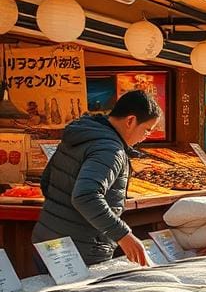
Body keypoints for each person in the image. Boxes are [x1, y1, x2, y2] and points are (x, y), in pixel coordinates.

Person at [32, 90, 160, 267]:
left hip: (48, 240)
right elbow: (86, 196)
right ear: (130, 121)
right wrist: (123, 235)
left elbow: (47, 181)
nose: (144, 138)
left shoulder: (83, 133)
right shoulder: (110, 150)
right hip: (81, 250)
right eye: (146, 131)